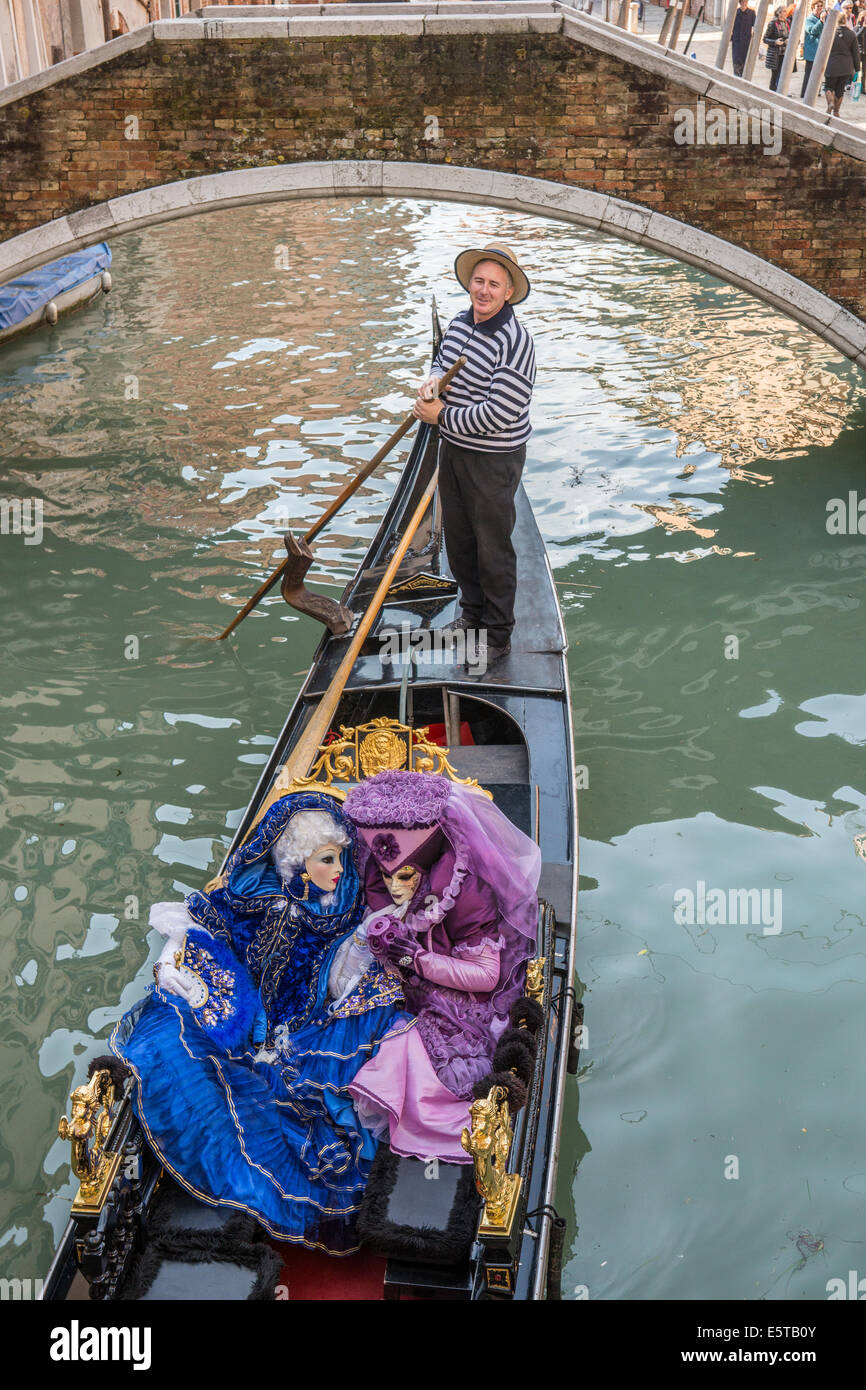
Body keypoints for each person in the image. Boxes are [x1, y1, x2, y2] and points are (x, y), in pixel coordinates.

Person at [110, 791, 408, 1253]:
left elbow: (340, 980)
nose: (339, 870)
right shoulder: (245, 900)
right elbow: (194, 933)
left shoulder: (341, 917)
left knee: (303, 1108)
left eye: (342, 859)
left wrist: (373, 939)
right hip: (233, 1024)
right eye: (327, 859)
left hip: (295, 1039)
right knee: (172, 1043)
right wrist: (175, 970)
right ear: (296, 860)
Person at [344, 769, 541, 1161]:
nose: (394, 888)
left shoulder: (468, 896)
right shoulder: (382, 885)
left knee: (408, 1058)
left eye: (404, 876)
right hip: (404, 994)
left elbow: (486, 978)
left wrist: (415, 958)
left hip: (460, 1006)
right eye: (387, 877)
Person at [413, 241, 536, 664]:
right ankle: (470, 614)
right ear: (470, 283)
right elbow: (440, 362)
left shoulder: (516, 342)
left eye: (493, 284)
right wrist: (430, 386)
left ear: (507, 292)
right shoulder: (460, 322)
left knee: (493, 546)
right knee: (460, 542)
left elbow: (500, 413)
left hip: (493, 458)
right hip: (455, 451)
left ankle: (497, 634)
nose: (483, 290)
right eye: (479, 281)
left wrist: (440, 415)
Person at [823, 11, 862, 114]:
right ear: (845, 20)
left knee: (829, 87)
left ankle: (830, 103)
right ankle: (837, 111)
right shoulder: (851, 33)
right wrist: (857, 69)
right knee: (840, 90)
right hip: (846, 66)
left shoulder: (830, 32)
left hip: (832, 64)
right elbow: (856, 53)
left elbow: (823, 49)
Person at [763, 5, 790, 91]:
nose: (786, 13)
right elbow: (765, 39)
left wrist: (789, 41)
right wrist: (775, 42)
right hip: (775, 54)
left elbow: (791, 35)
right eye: (784, 11)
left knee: (783, 74)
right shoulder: (773, 23)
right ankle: (773, 92)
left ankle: (781, 91)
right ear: (779, 13)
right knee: (775, 75)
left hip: (785, 53)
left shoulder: (787, 22)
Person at [802, 1, 825, 97]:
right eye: (817, 6)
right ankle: (804, 93)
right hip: (811, 51)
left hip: (821, 50)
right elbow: (812, 30)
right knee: (809, 74)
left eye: (821, 6)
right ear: (812, 8)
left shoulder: (823, 19)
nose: (819, 8)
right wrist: (821, 21)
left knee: (819, 73)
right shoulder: (809, 19)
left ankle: (816, 92)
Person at [731, 0, 756, 77]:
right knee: (736, 60)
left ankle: (743, 78)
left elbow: (756, 26)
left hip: (746, 41)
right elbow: (729, 27)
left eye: (746, 1)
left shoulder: (751, 13)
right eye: (743, 1)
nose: (744, 3)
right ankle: (736, 77)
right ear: (740, 2)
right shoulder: (735, 13)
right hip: (736, 41)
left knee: (745, 61)